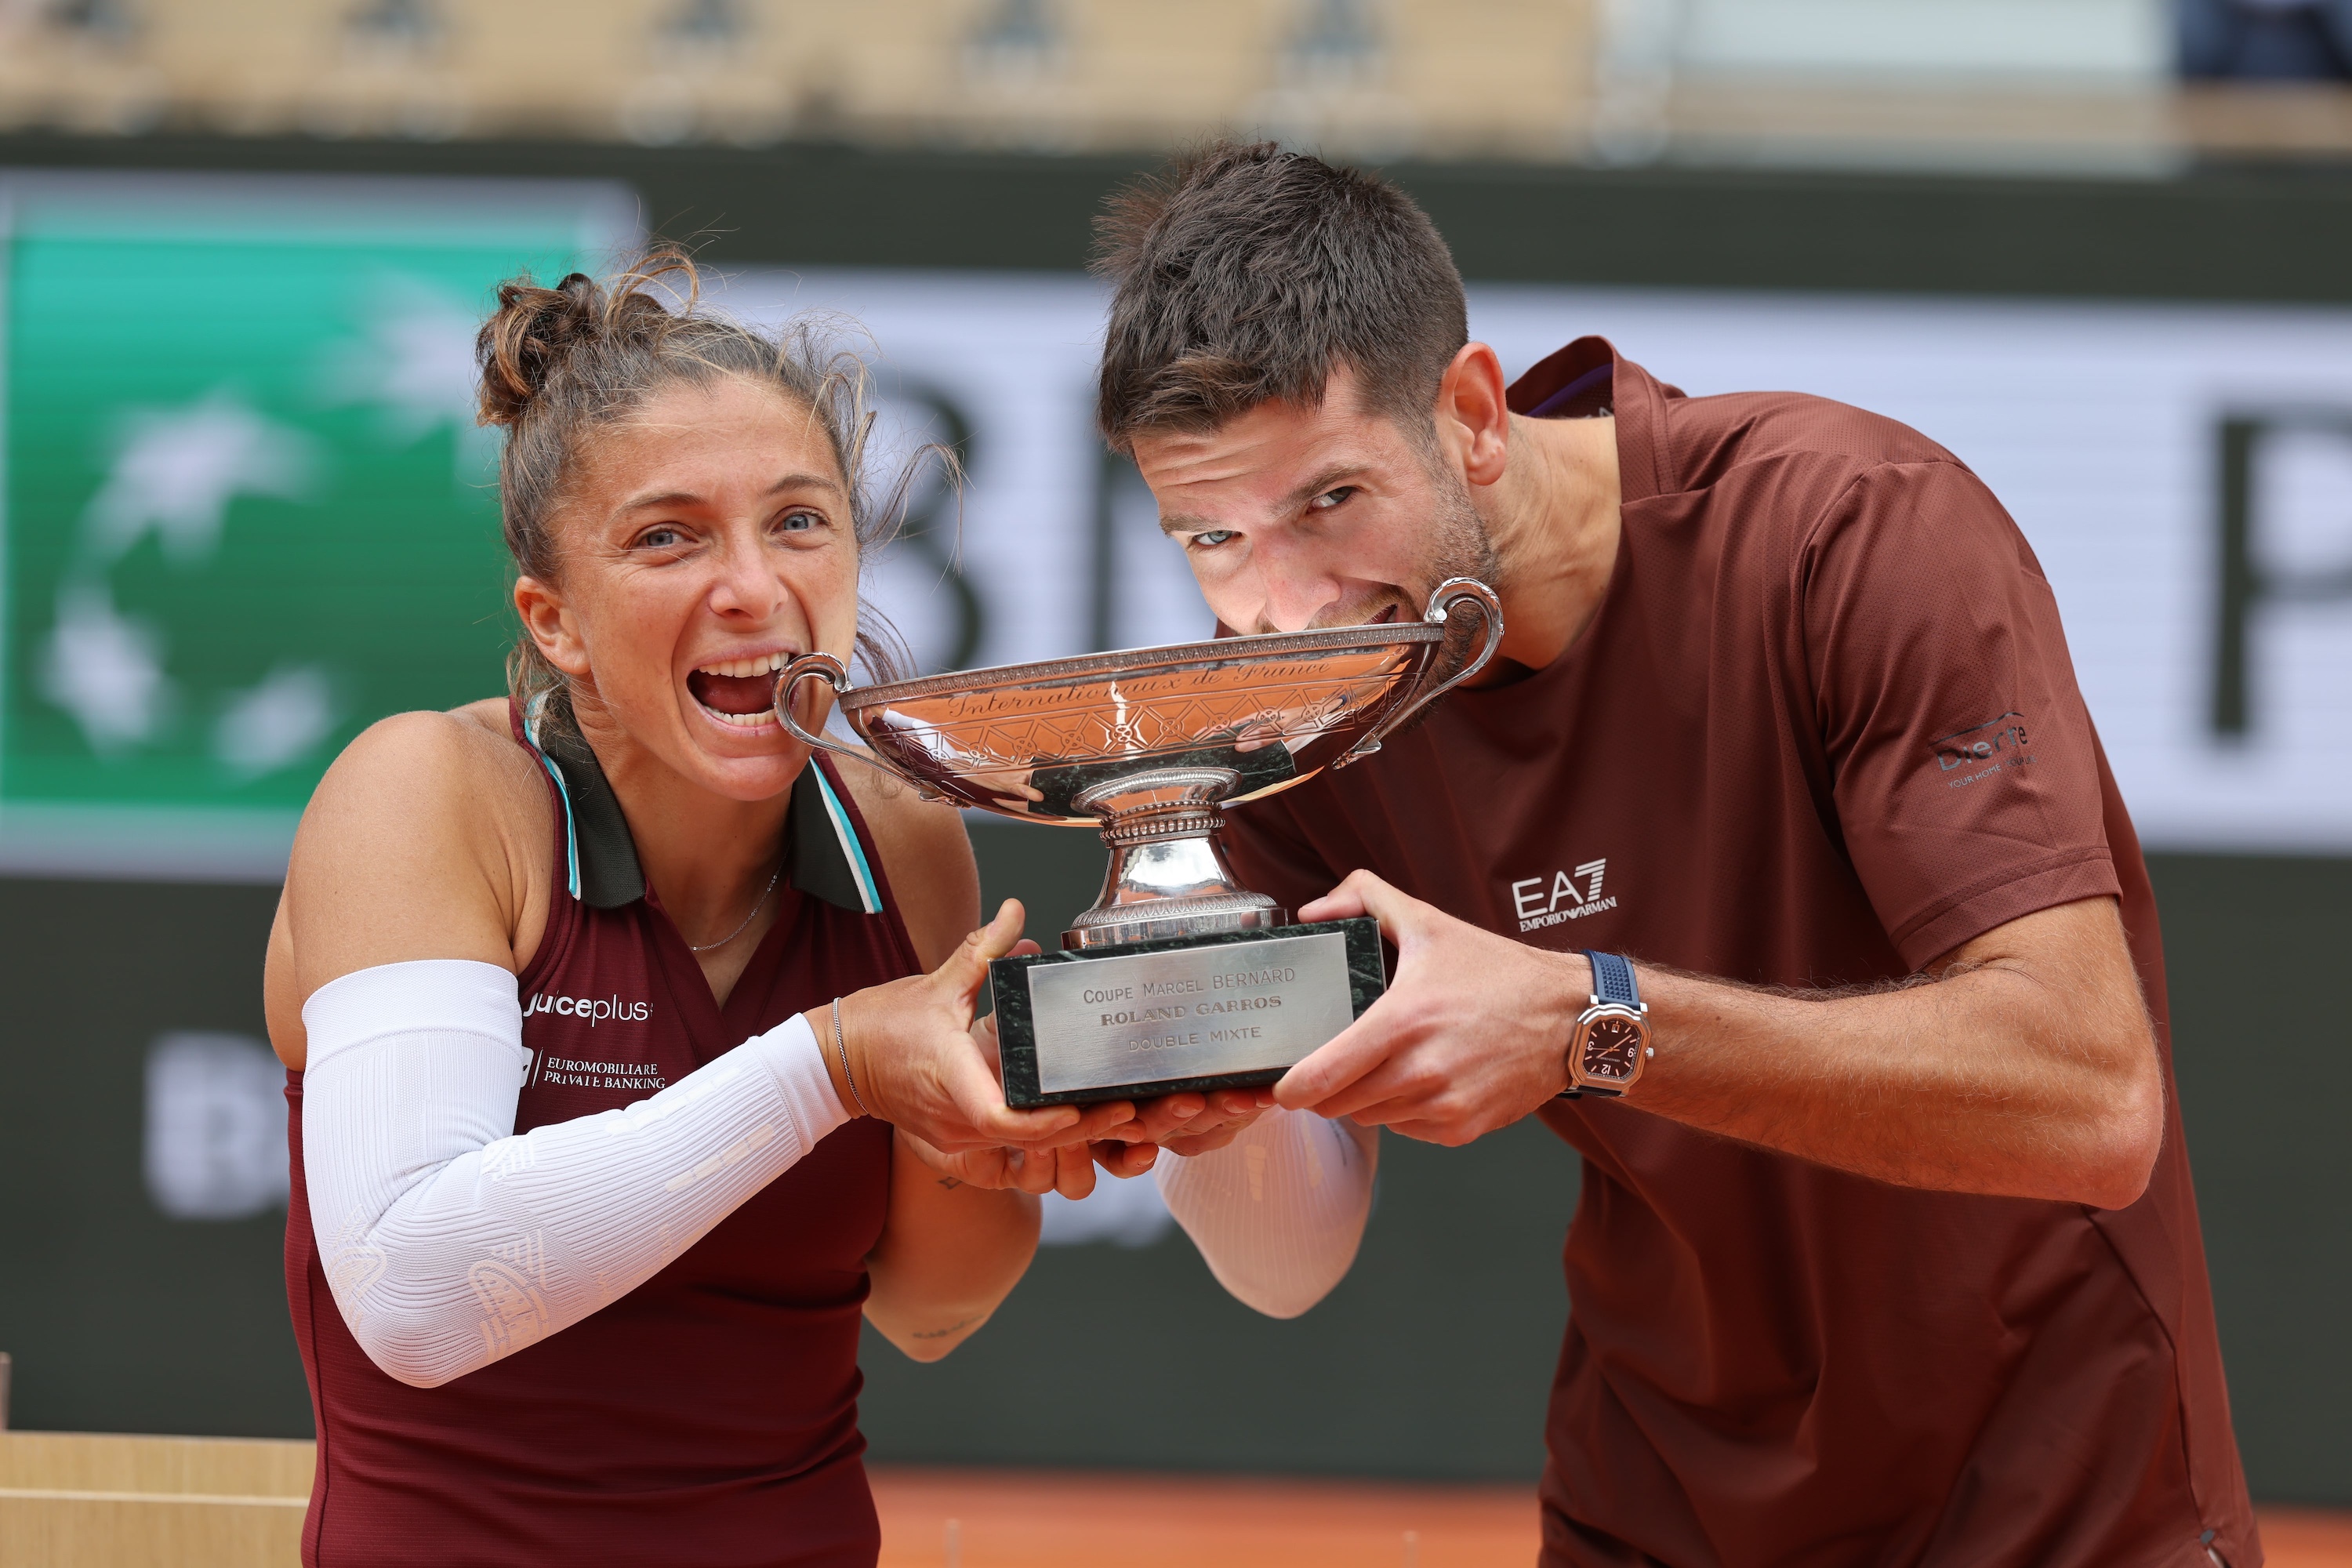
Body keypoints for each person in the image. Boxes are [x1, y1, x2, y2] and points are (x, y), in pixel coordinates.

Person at [1090, 144, 2259, 1568]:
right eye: (1211, 534)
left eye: (1330, 501)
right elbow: (1290, 1267)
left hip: (2053, 1501)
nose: (1282, 603)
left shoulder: (1852, 526)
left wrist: (1593, 1021)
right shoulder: (1288, 696)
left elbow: (2089, 1099)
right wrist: (1202, 1092)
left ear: (1470, 415)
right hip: (1661, 1505)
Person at [264, 257, 1158, 1566]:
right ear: (555, 622)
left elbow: (928, 1307)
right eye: (668, 536)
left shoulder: (898, 835)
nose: (753, 587)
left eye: (799, 522)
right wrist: (838, 1062)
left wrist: (989, 1146)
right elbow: (416, 1295)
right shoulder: (428, 792)